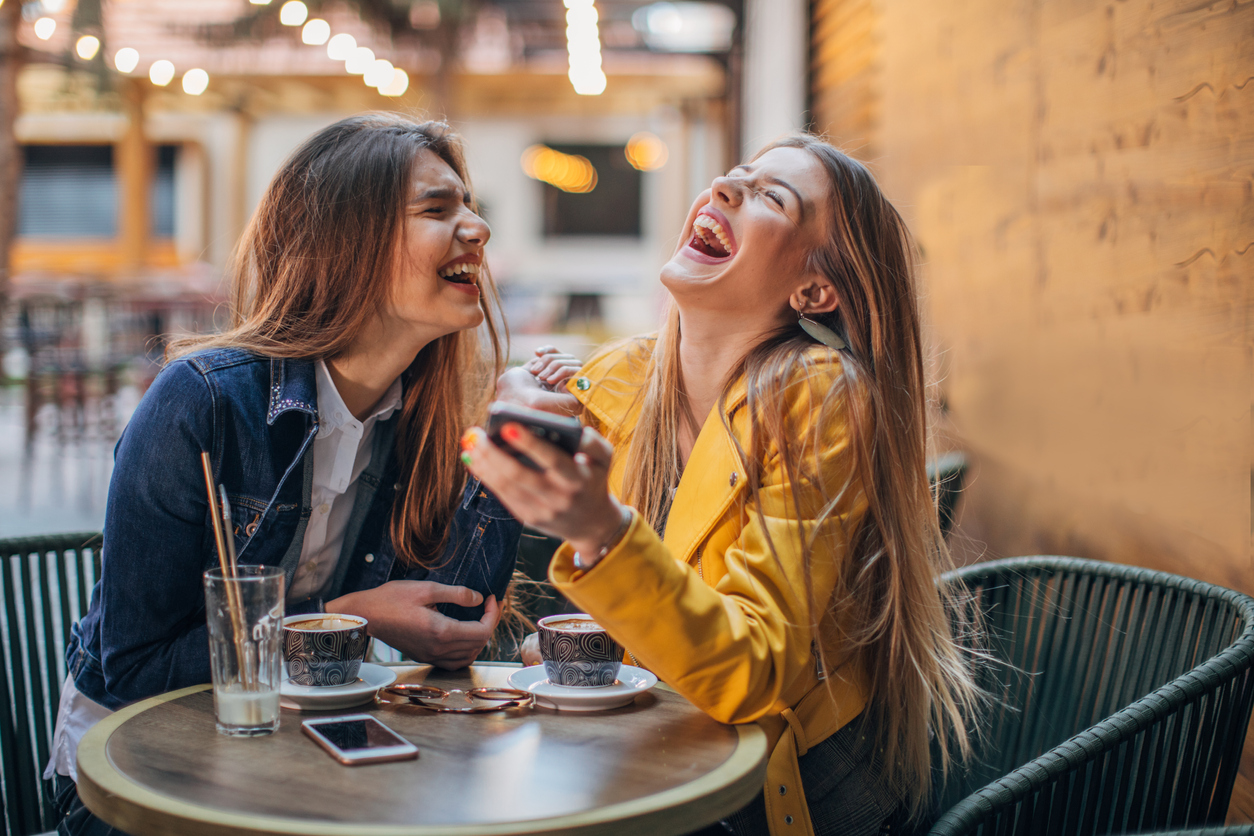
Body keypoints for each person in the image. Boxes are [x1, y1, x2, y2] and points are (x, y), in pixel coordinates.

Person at [464, 135, 982, 836]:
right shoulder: (618, 379)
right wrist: (508, 414)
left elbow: (750, 672)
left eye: (772, 196)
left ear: (814, 290)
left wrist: (600, 533)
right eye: (735, 178)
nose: (725, 190)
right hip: (663, 749)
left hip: (784, 786)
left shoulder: (819, 399)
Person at [46, 114, 522, 835]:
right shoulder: (202, 401)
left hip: (297, 756)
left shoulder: (417, 416)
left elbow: (457, 620)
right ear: (344, 241)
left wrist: (513, 450)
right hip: (136, 780)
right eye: (437, 208)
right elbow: (136, 668)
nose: (477, 228)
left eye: (470, 204)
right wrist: (348, 616)